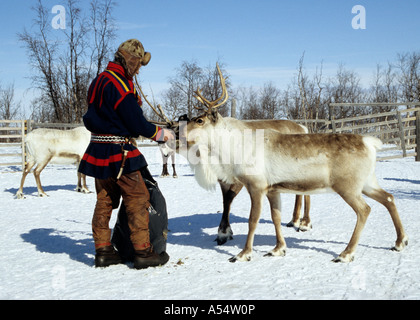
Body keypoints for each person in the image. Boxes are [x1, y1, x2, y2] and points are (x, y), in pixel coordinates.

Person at [78, 39, 174, 269]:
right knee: (138, 198)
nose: (139, 69)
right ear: (131, 61)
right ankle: (143, 252)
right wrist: (160, 134)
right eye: (139, 64)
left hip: (99, 149)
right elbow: (135, 122)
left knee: (104, 200)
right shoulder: (120, 84)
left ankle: (103, 251)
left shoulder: (99, 80)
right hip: (119, 151)